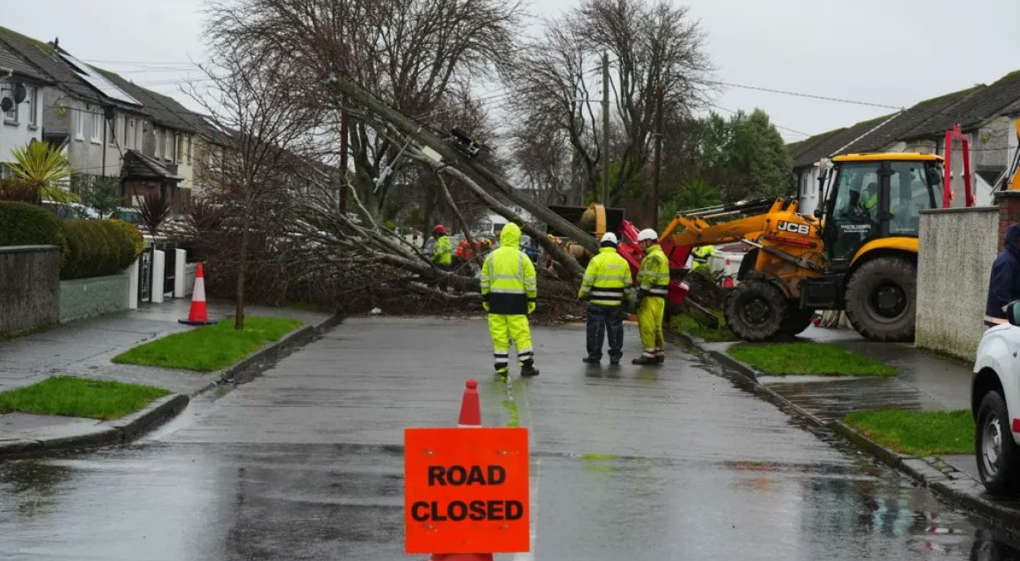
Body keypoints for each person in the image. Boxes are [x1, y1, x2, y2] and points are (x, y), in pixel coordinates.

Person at [480, 222, 539, 378]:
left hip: (496, 301)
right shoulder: (523, 258)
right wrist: (531, 299)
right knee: (521, 334)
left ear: (503, 237)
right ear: (517, 238)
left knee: (499, 335)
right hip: (517, 303)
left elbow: (484, 279)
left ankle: (501, 366)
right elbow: (530, 281)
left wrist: (485, 297)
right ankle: (526, 365)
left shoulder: (491, 257)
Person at [578, 233, 633, 365]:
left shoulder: (596, 260)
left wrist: (581, 295)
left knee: (595, 328)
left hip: (597, 302)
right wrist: (627, 298)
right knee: (615, 329)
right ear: (615, 245)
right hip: (615, 303)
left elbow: (587, 282)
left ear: (602, 244)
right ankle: (615, 356)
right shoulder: (623, 262)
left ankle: (594, 355)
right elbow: (628, 284)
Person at [633, 228, 670, 365]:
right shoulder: (661, 255)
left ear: (649, 242)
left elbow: (648, 278)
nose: (640, 245)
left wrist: (640, 295)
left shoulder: (652, 257)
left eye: (642, 242)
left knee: (647, 325)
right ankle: (658, 352)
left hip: (649, 296)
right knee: (657, 326)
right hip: (660, 297)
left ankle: (648, 353)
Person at [985, 224, 1020, 328]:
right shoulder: (1006, 262)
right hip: (1000, 324)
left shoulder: (1014, 260)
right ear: (1018, 241)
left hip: (1009, 323)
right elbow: (1002, 297)